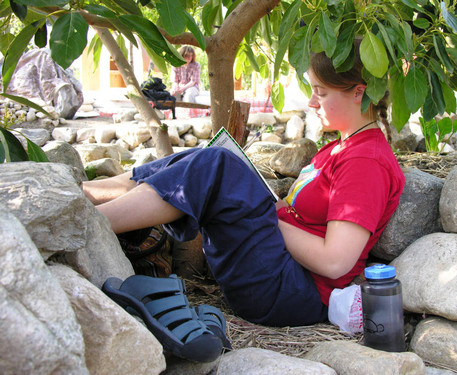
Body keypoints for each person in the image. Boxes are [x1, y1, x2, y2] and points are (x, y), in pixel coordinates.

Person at [83, 39, 405, 328]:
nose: (311, 102)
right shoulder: (341, 148)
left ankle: (88, 221)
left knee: (217, 165)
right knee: (207, 159)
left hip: (292, 291)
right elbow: (305, 219)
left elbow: (334, 261)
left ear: (359, 92)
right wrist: (270, 203)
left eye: (320, 93)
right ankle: (89, 196)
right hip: (279, 270)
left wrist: (266, 216)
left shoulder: (366, 161)